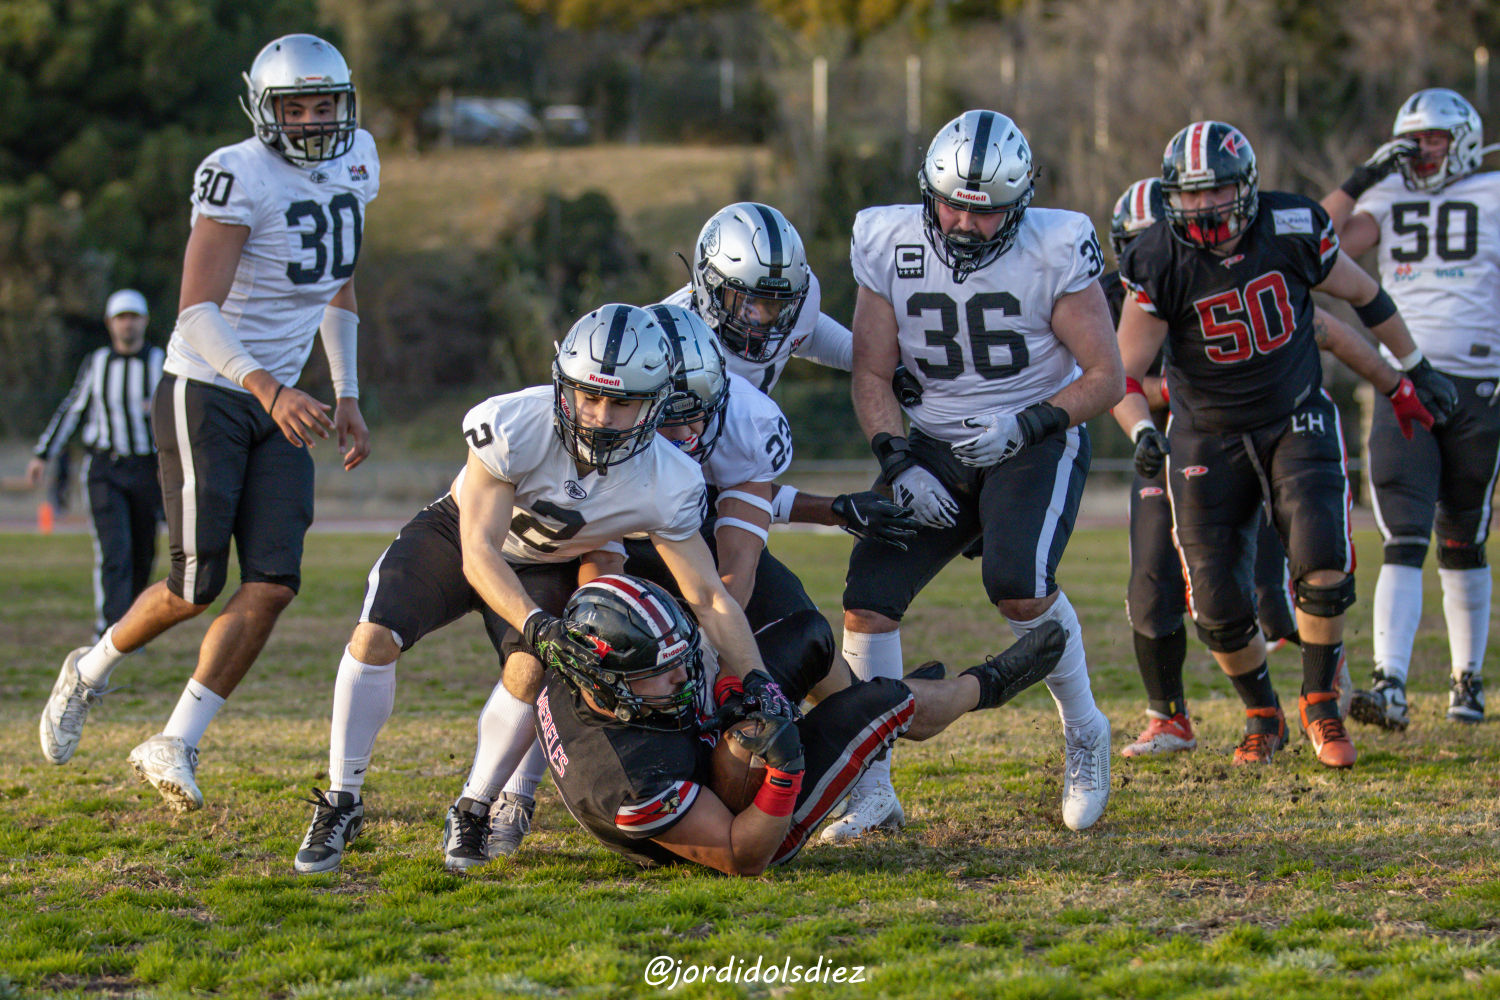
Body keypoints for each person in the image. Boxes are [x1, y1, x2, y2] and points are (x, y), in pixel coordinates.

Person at [294, 304, 790, 872]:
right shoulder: (515, 423)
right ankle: (342, 799)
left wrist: (754, 676)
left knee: (530, 669)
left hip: (552, 560)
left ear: (655, 404)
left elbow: (708, 596)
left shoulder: (669, 480)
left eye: (622, 401)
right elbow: (478, 553)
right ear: (564, 387)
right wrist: (536, 622)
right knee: (374, 637)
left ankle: (474, 807)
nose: (601, 416)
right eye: (589, 396)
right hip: (462, 536)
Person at [38, 34, 378, 811]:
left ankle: (175, 739)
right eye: (296, 106)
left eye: (326, 103)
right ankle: (86, 674)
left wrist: (346, 392)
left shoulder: (359, 161)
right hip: (208, 388)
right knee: (196, 584)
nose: (315, 119)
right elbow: (194, 312)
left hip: (280, 393)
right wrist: (268, 387)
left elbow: (338, 287)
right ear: (265, 111)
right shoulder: (237, 172)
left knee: (274, 583)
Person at [1113, 120, 1458, 770]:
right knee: (1216, 606)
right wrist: (1140, 429)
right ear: (1170, 197)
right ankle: (1261, 711)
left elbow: (1362, 295)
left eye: (1216, 193)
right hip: (1206, 435)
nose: (1204, 208)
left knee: (1322, 552)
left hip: (1293, 414)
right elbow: (1122, 371)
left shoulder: (1293, 224)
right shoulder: (1157, 256)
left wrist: (1412, 369)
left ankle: (1321, 702)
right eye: (1189, 196)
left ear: (1245, 188)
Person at [838, 109, 1123, 841]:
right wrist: (896, 459)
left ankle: (1085, 730)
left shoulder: (1056, 245)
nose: (964, 222)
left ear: (1020, 205)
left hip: (1034, 435)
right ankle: (871, 790)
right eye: (952, 203)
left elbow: (1106, 376)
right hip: (931, 440)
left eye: (985, 210)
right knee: (868, 598)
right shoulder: (886, 237)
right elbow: (871, 369)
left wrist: (1025, 424)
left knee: (1018, 586)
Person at [532, 573, 1067, 875]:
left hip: (688, 744)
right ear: (606, 685)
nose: (681, 677)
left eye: (680, 660)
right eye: (661, 673)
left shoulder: (580, 661)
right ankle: (979, 687)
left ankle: (879, 707)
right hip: (732, 822)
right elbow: (744, 858)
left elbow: (698, 662)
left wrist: (728, 690)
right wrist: (783, 770)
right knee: (880, 704)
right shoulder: (627, 780)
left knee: (809, 633)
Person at [1108, 181, 1377, 757]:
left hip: (1268, 425)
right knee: (1181, 590)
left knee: (1299, 568)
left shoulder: (1240, 254)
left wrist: (1399, 384)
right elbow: (1108, 379)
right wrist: (1143, 421)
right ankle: (1177, 715)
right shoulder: (1132, 281)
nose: (1148, 249)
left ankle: (1320, 692)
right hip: (1179, 442)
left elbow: (1328, 326)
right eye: (1135, 242)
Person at [1321, 88, 1500, 728]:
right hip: (1404, 382)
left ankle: (1466, 678)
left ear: (1465, 142)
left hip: (1481, 383)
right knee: (1402, 533)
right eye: (1412, 138)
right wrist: (1365, 175)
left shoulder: (1494, 193)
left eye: (1434, 138)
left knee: (1464, 536)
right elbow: (1309, 244)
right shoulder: (1387, 198)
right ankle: (1389, 681)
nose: (1421, 150)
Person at [27, 290, 165, 639]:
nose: (128, 323)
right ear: (109, 323)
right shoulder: (97, 363)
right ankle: (109, 628)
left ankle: (134, 625)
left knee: (143, 550)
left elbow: (181, 414)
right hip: (105, 469)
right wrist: (44, 453)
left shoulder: (161, 362)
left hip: (148, 469)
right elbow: (72, 410)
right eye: (121, 317)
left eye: (134, 316)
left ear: (145, 321)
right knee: (113, 549)